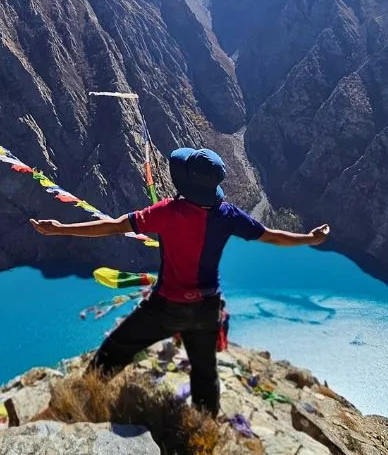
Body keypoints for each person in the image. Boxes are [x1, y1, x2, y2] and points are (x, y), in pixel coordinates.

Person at [29, 147, 329, 416]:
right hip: (207, 309)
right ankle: (205, 425)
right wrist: (310, 239)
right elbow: (272, 236)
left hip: (166, 307)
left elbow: (113, 226)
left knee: (116, 348)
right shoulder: (227, 215)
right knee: (204, 373)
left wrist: (60, 229)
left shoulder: (167, 212)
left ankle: (77, 403)